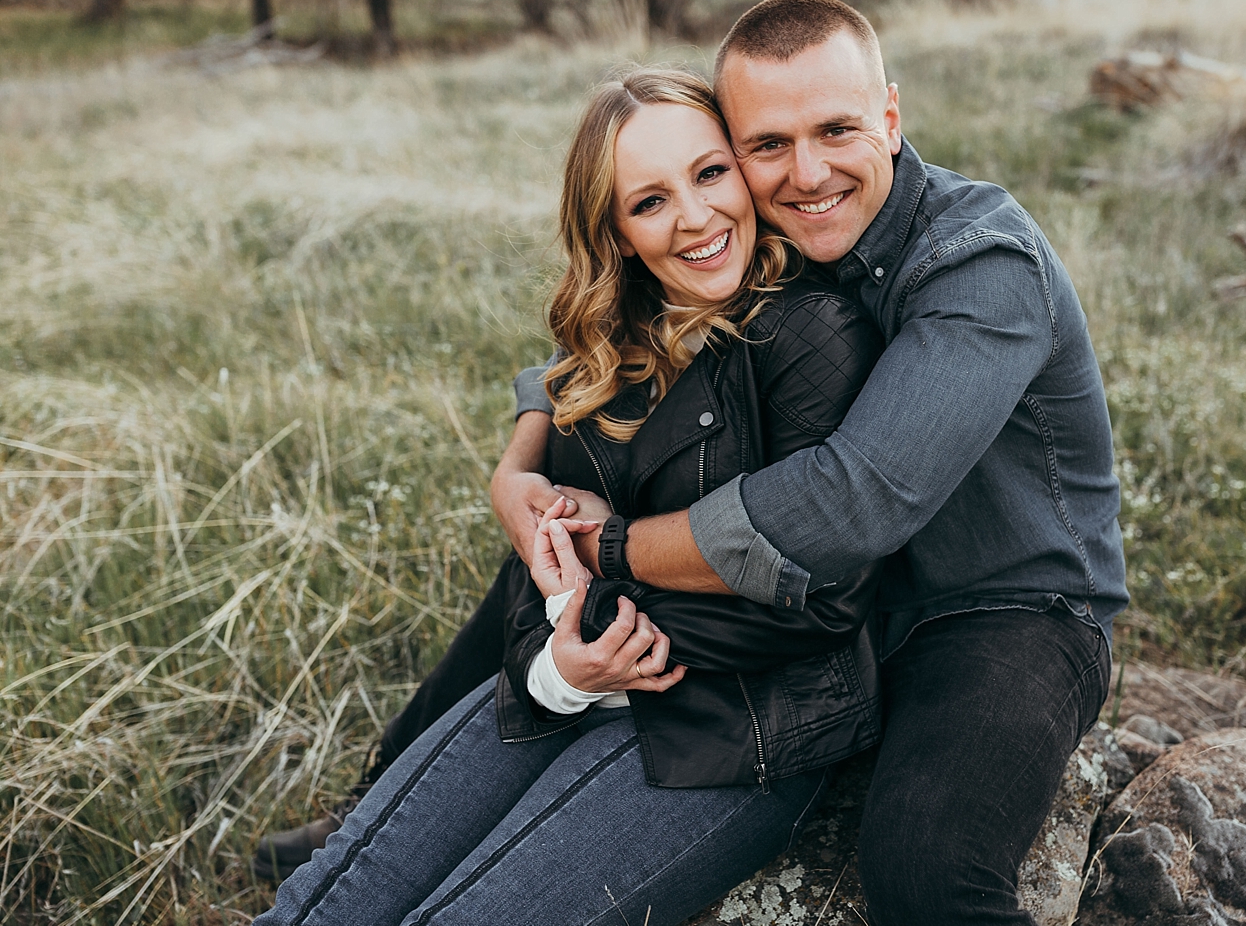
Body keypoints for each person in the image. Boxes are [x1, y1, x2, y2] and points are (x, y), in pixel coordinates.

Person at [506, 0, 1127, 925]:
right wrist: (521, 469)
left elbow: (850, 505)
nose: (806, 172)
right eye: (767, 146)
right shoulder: (776, 234)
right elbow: (612, 338)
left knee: (922, 867)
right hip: (844, 609)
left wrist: (614, 548)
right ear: (735, 151)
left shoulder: (980, 264)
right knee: (533, 545)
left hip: (1001, 610)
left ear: (889, 116)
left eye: (836, 129)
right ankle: (381, 807)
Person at [253, 67, 886, 925]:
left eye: (708, 174)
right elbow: (537, 567)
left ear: (743, 167)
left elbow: (818, 592)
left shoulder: (809, 334)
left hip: (738, 726)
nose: (697, 218)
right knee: (320, 906)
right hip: (569, 684)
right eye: (650, 201)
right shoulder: (605, 349)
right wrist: (559, 671)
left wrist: (593, 604)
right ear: (617, 233)